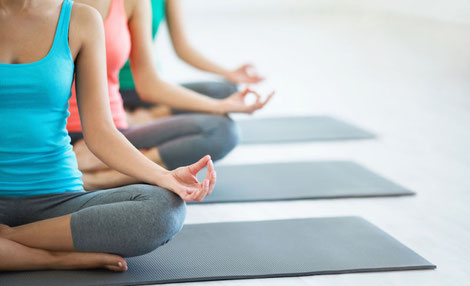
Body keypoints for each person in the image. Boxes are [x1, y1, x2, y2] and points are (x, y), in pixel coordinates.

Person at [0, 0, 215, 272]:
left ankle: (9, 241)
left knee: (165, 209)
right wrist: (56, 260)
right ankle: (54, 257)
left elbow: (101, 131)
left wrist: (164, 176)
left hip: (57, 199)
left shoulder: (80, 19)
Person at [68, 0, 273, 191]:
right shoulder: (51, 7)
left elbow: (151, 82)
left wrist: (221, 104)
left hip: (115, 129)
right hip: (72, 130)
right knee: (165, 214)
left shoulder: (135, 3)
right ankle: (115, 162)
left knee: (222, 130)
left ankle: (98, 177)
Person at [119, 0, 265, 124]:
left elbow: (183, 48)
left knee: (226, 91)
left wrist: (228, 73)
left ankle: (153, 116)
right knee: (219, 128)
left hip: (152, 88)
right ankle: (130, 118)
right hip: (116, 91)